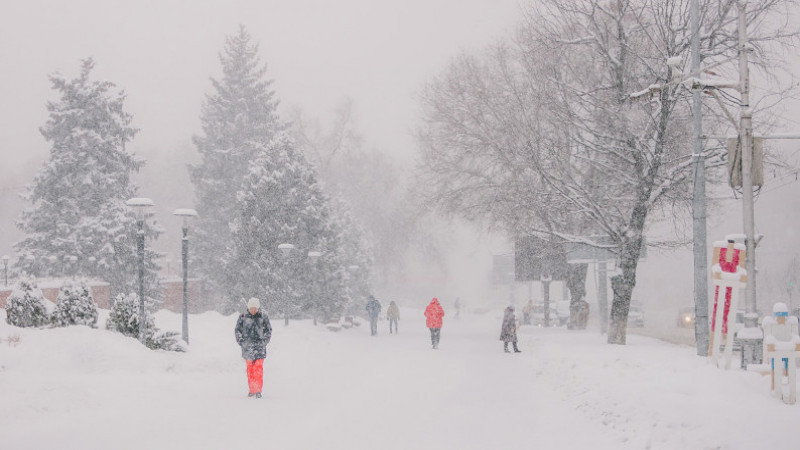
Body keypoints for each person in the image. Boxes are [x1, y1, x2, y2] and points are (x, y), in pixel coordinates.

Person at [235, 297, 273, 399]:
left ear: (258, 308)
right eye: (251, 308)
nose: (253, 310)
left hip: (260, 348)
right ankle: (252, 390)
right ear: (248, 308)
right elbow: (237, 331)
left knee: (258, 369)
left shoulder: (263, 317)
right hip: (247, 348)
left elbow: (268, 331)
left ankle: (258, 390)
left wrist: (264, 341)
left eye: (255, 308)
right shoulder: (242, 317)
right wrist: (241, 342)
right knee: (250, 370)